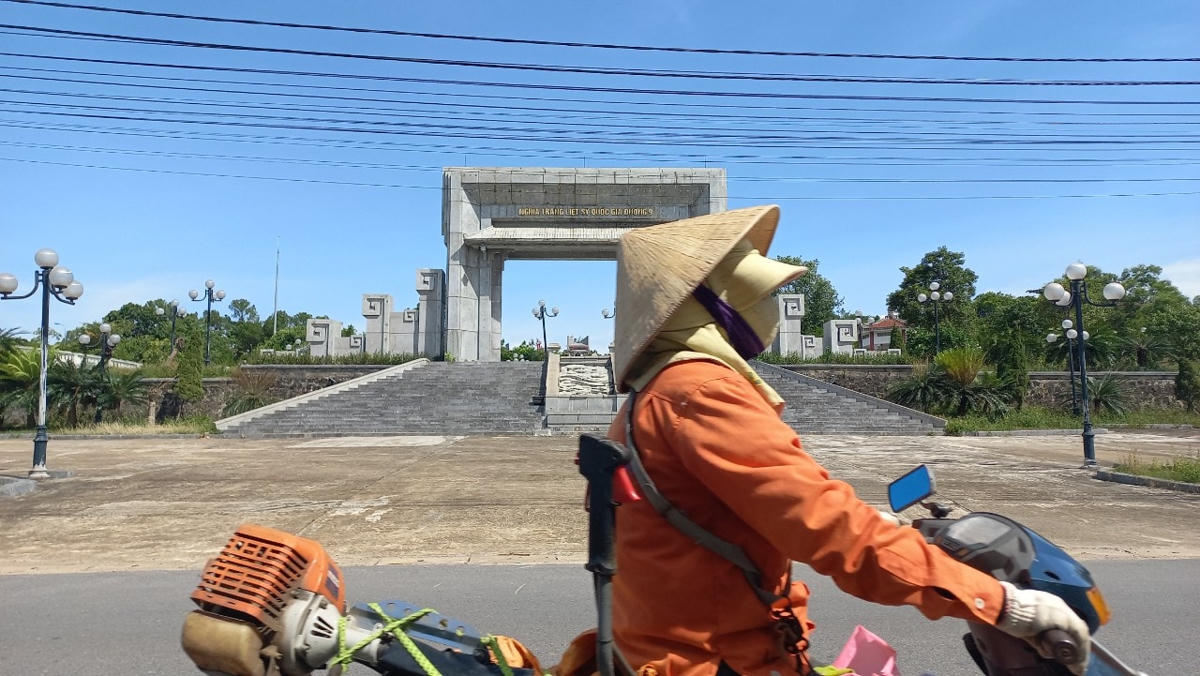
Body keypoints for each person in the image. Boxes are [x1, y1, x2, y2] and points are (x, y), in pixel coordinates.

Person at [598, 205, 1090, 676]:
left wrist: (868, 521)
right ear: (712, 307)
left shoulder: (652, 395)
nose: (770, 307)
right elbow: (829, 529)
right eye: (756, 295)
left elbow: (749, 510)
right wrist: (1003, 604)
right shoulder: (703, 390)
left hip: (666, 648)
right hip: (720, 660)